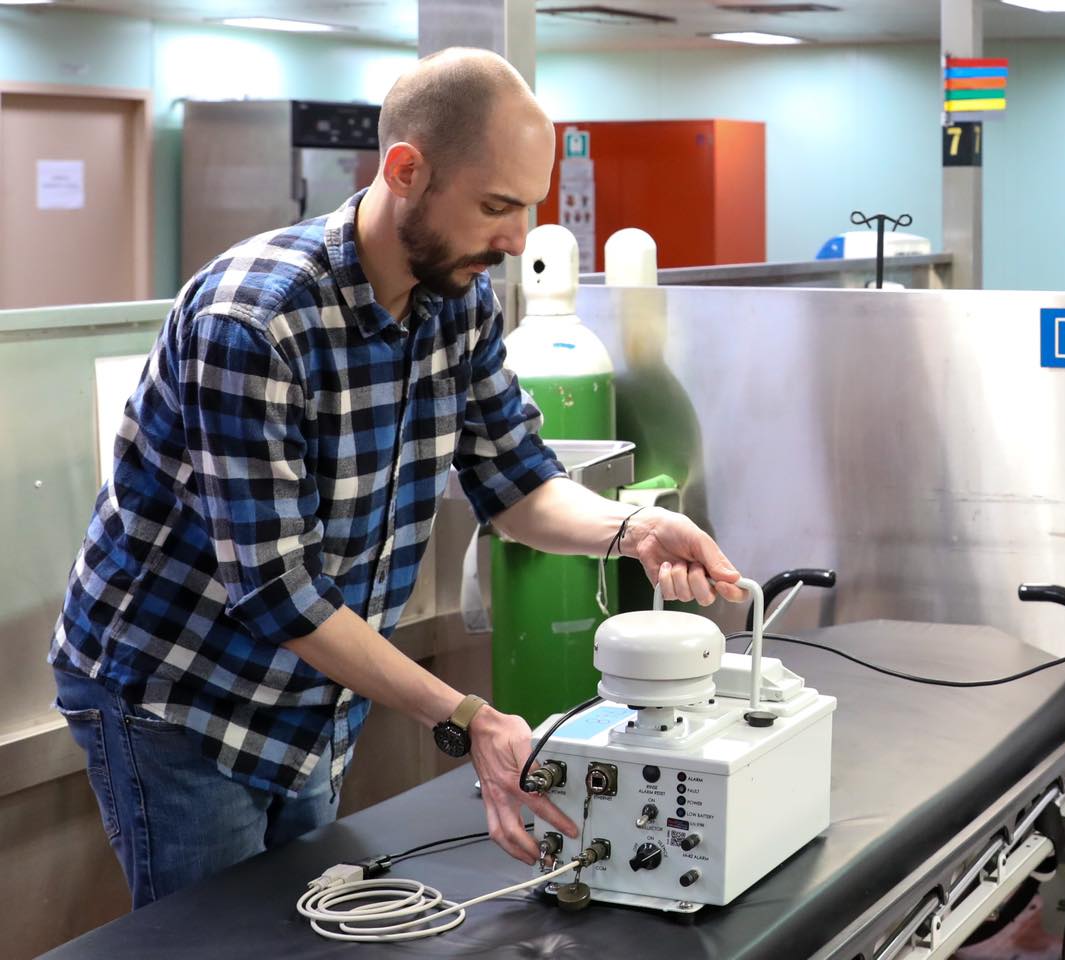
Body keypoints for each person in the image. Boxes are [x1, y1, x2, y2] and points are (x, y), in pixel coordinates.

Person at [47, 47, 744, 910]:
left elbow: (516, 480)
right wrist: (468, 718)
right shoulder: (255, 320)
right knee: (228, 936)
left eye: (527, 209)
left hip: (311, 691)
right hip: (181, 693)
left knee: (307, 922)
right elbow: (274, 593)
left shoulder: (459, 299)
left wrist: (631, 528)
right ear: (406, 170)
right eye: (495, 206)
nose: (516, 240)